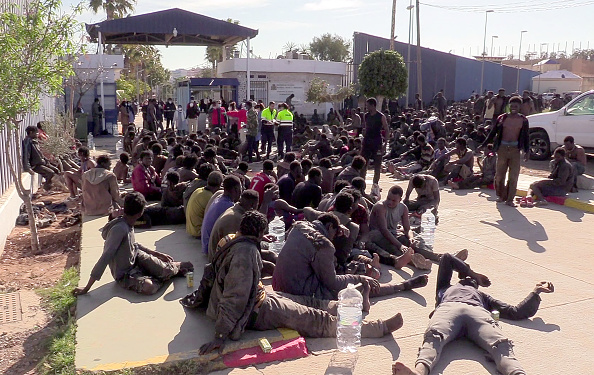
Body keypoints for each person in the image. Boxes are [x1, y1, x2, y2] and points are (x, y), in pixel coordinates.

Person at [197, 211, 405, 355]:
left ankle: (346, 307)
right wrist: (221, 334)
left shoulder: (233, 239)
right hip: (256, 310)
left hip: (259, 296)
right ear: (259, 233)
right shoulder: (245, 253)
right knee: (314, 318)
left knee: (308, 302)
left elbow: (210, 272)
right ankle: (378, 328)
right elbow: (236, 296)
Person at [392, 253, 554, 375]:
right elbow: (447, 258)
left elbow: (515, 311)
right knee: (435, 337)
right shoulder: (446, 287)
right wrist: (473, 273)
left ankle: (517, 373)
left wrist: (536, 292)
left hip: (461, 311)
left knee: (500, 344)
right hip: (459, 310)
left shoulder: (480, 296)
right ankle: (418, 372)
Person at [272, 212, 429, 310]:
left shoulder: (299, 226)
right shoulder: (324, 245)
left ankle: (370, 276)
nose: (334, 238)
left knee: (345, 271)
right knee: (354, 288)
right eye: (335, 233)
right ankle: (399, 287)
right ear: (329, 226)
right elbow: (331, 282)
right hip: (299, 292)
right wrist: (360, 279)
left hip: (279, 285)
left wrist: (336, 227)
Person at [74, 192, 194, 296]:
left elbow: (134, 245)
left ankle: (171, 269)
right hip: (125, 273)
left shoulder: (129, 223)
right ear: (140, 213)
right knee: (150, 288)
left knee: (167, 269)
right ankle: (166, 273)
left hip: (136, 257)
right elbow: (106, 257)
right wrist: (87, 287)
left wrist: (156, 253)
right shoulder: (119, 229)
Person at [480, 96, 530, 207]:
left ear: (520, 107)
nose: (513, 108)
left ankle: (510, 199)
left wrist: (527, 151)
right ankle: (501, 196)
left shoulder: (523, 120)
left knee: (513, 176)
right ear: (508, 106)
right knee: (499, 175)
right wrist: (483, 145)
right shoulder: (502, 118)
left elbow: (526, 137)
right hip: (502, 149)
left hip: (515, 150)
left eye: (516, 106)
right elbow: (492, 133)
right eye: (511, 106)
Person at [201, 175, 242, 255]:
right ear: (236, 189)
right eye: (241, 189)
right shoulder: (229, 207)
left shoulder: (219, 197)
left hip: (205, 244)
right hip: (210, 249)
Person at [186, 171, 223, 238]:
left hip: (191, 229)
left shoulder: (198, 190)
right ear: (219, 184)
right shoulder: (210, 197)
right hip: (199, 232)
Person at [22, 125, 60, 190]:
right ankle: (47, 189)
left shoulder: (34, 141)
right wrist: (28, 168)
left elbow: (39, 154)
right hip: (36, 165)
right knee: (50, 173)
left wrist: (46, 161)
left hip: (41, 163)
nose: (37, 134)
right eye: (36, 133)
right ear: (31, 132)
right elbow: (26, 155)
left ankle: (54, 186)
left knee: (56, 170)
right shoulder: (28, 142)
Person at [362, 97, 389, 185]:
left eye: (368, 105)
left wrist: (385, 144)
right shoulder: (366, 116)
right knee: (363, 164)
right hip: (367, 142)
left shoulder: (381, 116)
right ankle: (361, 184)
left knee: (377, 166)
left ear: (373, 106)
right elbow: (366, 128)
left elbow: (387, 130)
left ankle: (375, 185)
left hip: (377, 142)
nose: (367, 107)